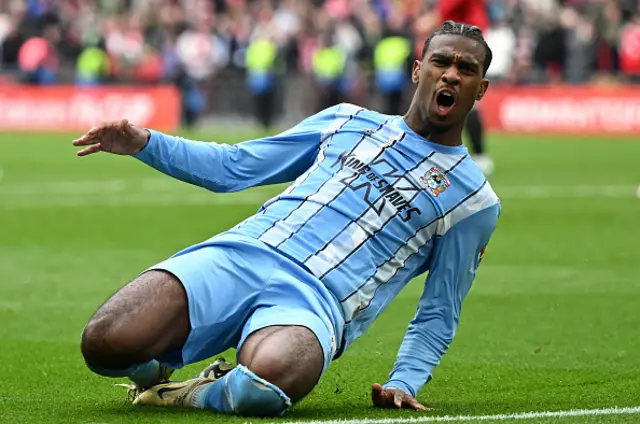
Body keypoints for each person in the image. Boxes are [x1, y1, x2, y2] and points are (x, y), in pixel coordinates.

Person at [74, 21, 500, 417]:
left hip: (314, 302)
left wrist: (404, 380)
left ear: (479, 89)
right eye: (441, 62)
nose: (450, 75)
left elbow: (440, 309)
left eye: (466, 69)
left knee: (263, 388)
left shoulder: (474, 200)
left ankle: (190, 392)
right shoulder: (346, 120)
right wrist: (145, 142)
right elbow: (234, 167)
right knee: (104, 342)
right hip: (245, 252)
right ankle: (151, 373)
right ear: (417, 70)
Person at [415, 0, 494, 175]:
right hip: (464, 47)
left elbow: (436, 16)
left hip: (461, 48)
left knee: (459, 104)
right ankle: (476, 155)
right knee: (449, 104)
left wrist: (425, 22)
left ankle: (479, 155)